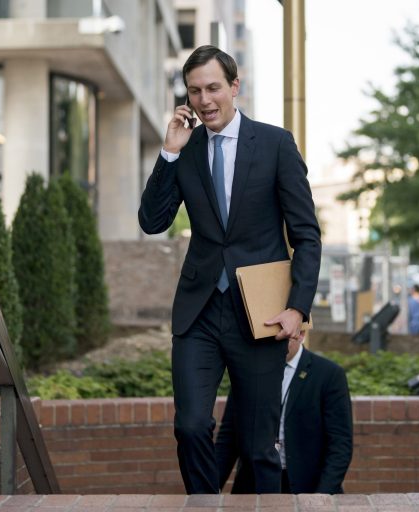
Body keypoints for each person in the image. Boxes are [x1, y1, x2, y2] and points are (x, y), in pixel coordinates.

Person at [138, 45, 321, 494]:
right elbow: (152, 221)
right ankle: (205, 504)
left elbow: (307, 236)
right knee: (192, 426)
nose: (204, 100)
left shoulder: (275, 144)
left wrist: (297, 309)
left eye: (213, 87)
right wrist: (169, 153)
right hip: (199, 313)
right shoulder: (186, 150)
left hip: (260, 317)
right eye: (195, 90)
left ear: (235, 87)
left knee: (260, 447)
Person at [215, 338, 353, 494]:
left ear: (300, 334)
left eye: (282, 335)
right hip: (254, 486)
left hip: (308, 487)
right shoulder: (248, 372)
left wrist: (322, 495)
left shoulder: (329, 374)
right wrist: (212, 486)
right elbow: (229, 436)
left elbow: (340, 444)